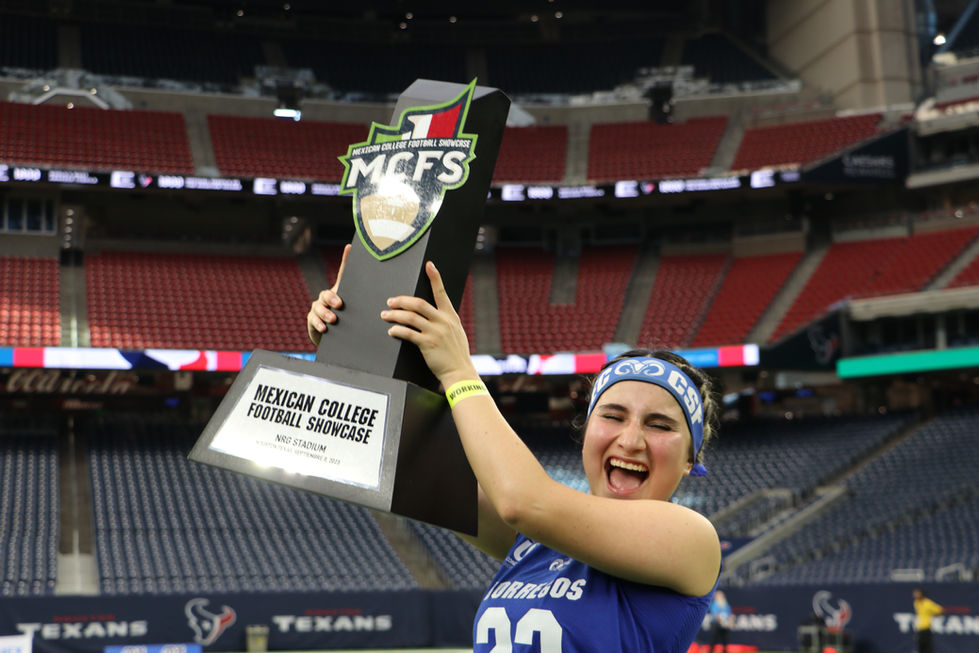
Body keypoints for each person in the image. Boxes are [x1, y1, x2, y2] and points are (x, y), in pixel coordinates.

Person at [308, 251, 722, 652]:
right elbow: (396, 460)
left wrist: (458, 373)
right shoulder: (540, 541)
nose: (631, 440)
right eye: (613, 416)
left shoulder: (692, 539)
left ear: (691, 459)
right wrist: (356, 347)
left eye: (659, 425)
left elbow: (523, 502)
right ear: (587, 432)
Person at [913, 587, 943, 653]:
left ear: (921, 594)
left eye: (917, 594)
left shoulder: (927, 603)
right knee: (920, 648)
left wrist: (933, 614)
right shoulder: (916, 603)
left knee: (927, 648)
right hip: (919, 629)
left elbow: (939, 610)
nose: (915, 595)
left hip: (926, 629)